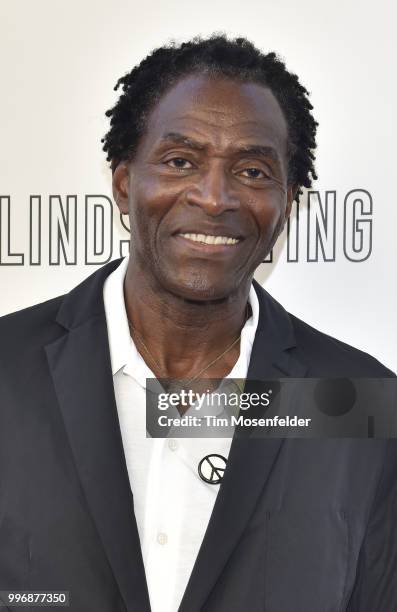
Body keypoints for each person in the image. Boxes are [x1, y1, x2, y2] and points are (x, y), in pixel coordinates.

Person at [0, 35, 396, 612]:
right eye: (180, 161)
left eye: (253, 170)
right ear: (123, 184)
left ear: (286, 205)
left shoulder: (358, 402)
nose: (215, 198)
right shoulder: (9, 372)